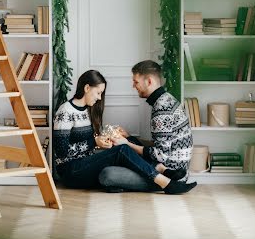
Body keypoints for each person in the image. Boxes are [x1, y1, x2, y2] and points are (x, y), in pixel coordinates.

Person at [53, 69, 196, 195]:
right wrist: (94, 142)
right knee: (121, 149)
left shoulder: (86, 111)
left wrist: (103, 142)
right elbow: (61, 152)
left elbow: (84, 146)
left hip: (84, 164)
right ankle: (166, 183)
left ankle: (160, 168)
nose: (99, 97)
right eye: (98, 92)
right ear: (86, 88)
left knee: (127, 144)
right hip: (70, 172)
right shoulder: (65, 111)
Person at [99, 60, 195, 193]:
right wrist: (129, 138)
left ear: (149, 82)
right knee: (128, 146)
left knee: (107, 175)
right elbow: (160, 145)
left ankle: (166, 183)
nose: (133, 86)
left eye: (136, 82)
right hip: (169, 165)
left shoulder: (161, 109)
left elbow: (160, 155)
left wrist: (127, 143)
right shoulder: (166, 99)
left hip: (169, 174)